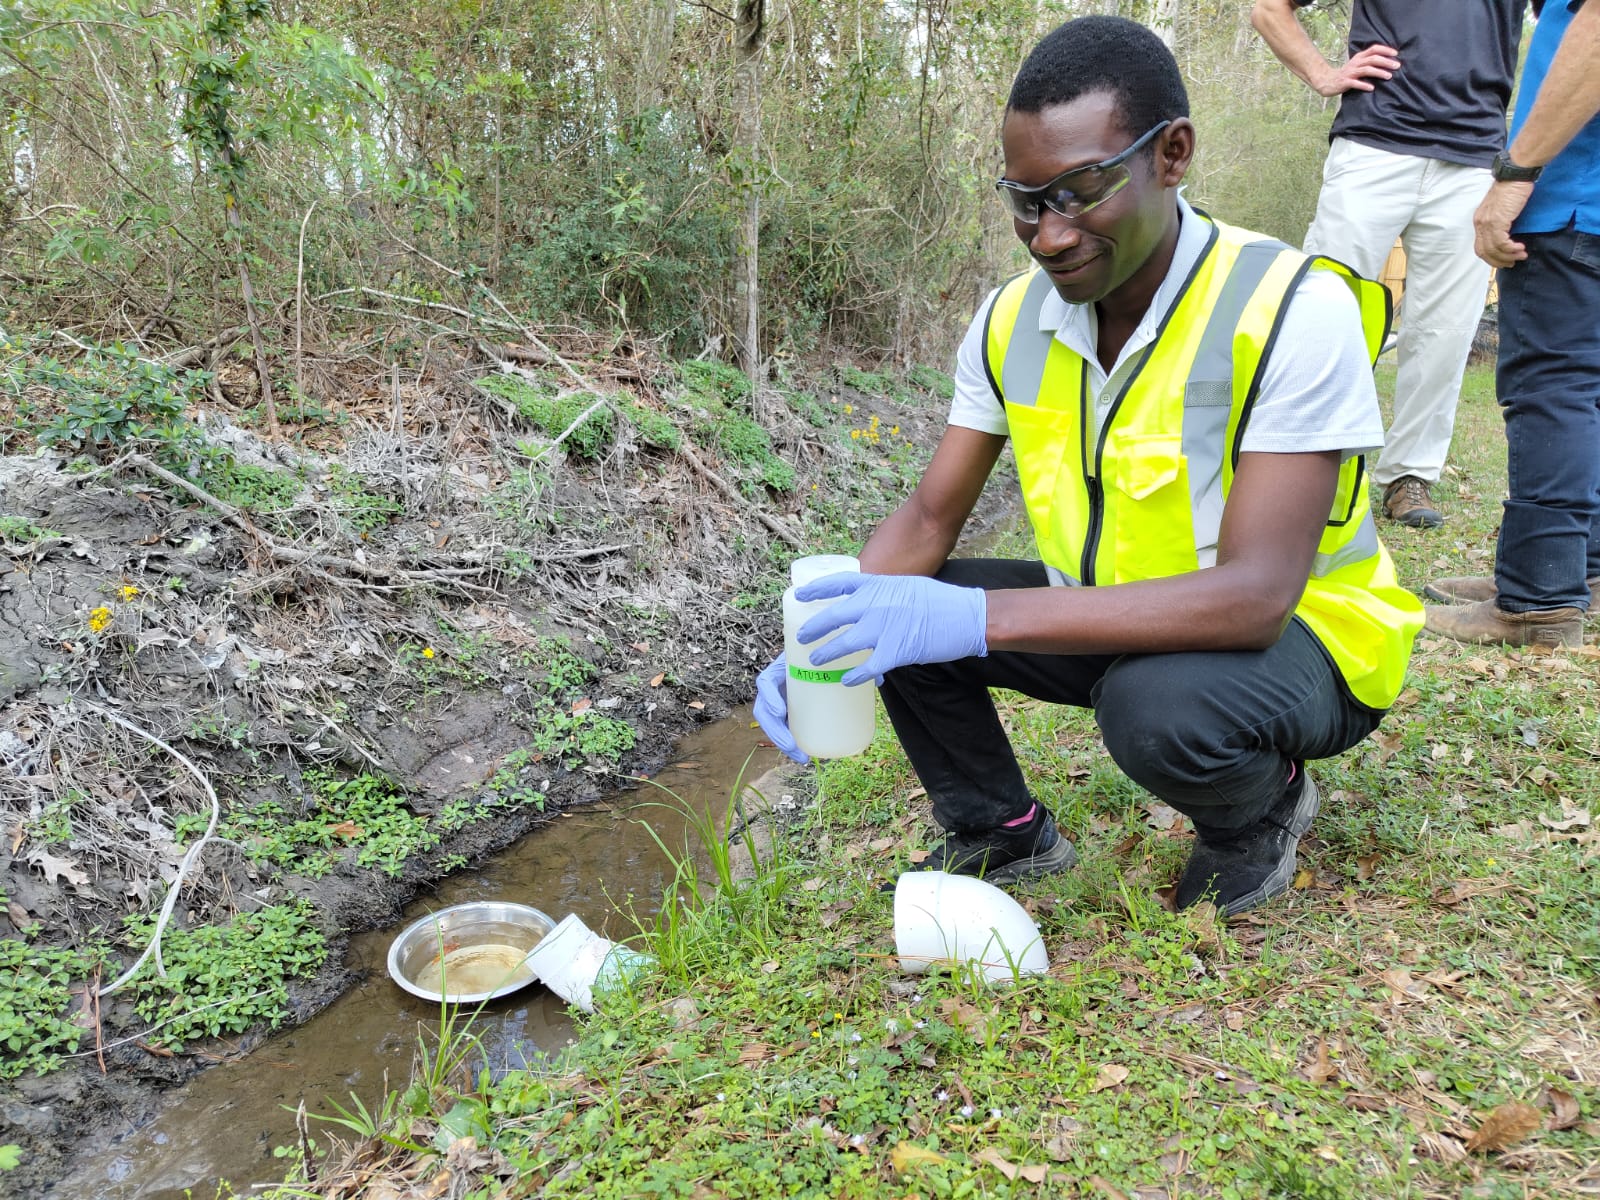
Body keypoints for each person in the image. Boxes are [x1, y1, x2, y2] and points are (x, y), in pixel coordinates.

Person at [752, 16, 1422, 917]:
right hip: (1122, 610)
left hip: (1305, 640)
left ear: (1172, 153)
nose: (1048, 235)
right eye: (1026, 201)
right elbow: (924, 522)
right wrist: (816, 647)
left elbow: (1258, 595)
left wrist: (976, 617)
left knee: (1152, 704)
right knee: (890, 605)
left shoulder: (1293, 306)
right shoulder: (1007, 323)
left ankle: (1259, 812)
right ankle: (1002, 832)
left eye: (1079, 192)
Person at [1251, 0, 1524, 529]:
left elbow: (1575, 27)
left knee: (1444, 332)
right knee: (1321, 314)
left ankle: (1409, 476)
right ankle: (1300, 464)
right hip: (1373, 146)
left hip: (1473, 160)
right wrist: (1323, 74)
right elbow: (1269, 10)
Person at [1422, 0, 1600, 649]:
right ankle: (1582, 568)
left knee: (1554, 388)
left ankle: (1539, 598)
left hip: (1574, 198)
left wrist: (1517, 171)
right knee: (1590, 392)